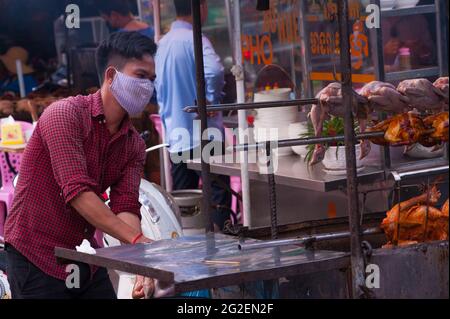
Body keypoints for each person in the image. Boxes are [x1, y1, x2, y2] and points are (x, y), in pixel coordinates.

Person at [4, 31, 156, 299]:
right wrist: (137, 242)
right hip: (35, 257)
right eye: (141, 76)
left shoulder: (133, 144)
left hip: (84, 256)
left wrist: (141, 263)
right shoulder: (64, 115)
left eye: (152, 80)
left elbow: (126, 206)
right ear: (111, 75)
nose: (148, 87)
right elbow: (77, 192)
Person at [155, 0, 231, 231]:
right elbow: (216, 71)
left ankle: (188, 249)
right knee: (217, 195)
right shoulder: (195, 39)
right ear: (201, 8)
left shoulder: (163, 43)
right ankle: (223, 247)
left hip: (176, 136)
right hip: (203, 134)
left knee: (184, 202)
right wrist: (210, 98)